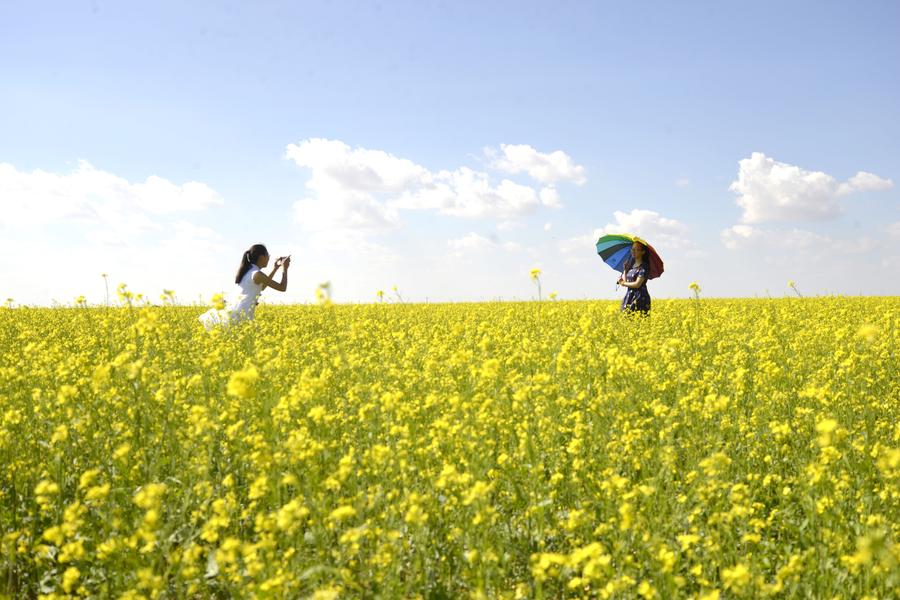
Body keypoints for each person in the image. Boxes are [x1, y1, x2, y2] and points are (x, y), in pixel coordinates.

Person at [199, 244, 291, 330]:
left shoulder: (248, 271)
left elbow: (262, 287)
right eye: (268, 256)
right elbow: (282, 287)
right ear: (262, 257)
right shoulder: (257, 274)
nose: (268, 258)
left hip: (236, 311)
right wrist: (285, 269)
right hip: (241, 314)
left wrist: (275, 269)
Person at [617, 241, 651, 314]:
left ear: (643, 252)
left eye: (637, 250)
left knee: (638, 321)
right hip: (629, 296)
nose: (633, 251)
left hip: (640, 298)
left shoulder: (644, 266)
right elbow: (627, 282)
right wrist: (625, 270)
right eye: (632, 249)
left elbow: (637, 284)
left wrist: (623, 283)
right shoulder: (632, 266)